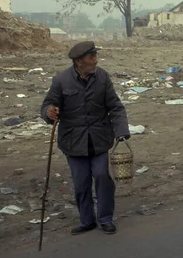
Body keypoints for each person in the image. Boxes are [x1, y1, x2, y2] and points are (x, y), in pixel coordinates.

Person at [41, 41, 130, 236]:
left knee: (102, 177)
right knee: (81, 183)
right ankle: (87, 221)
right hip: (73, 142)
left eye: (95, 57)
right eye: (91, 58)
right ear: (79, 61)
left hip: (99, 138)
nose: (95, 61)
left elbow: (115, 106)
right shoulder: (61, 80)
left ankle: (105, 218)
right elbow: (48, 104)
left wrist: (122, 130)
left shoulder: (102, 77)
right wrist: (49, 112)